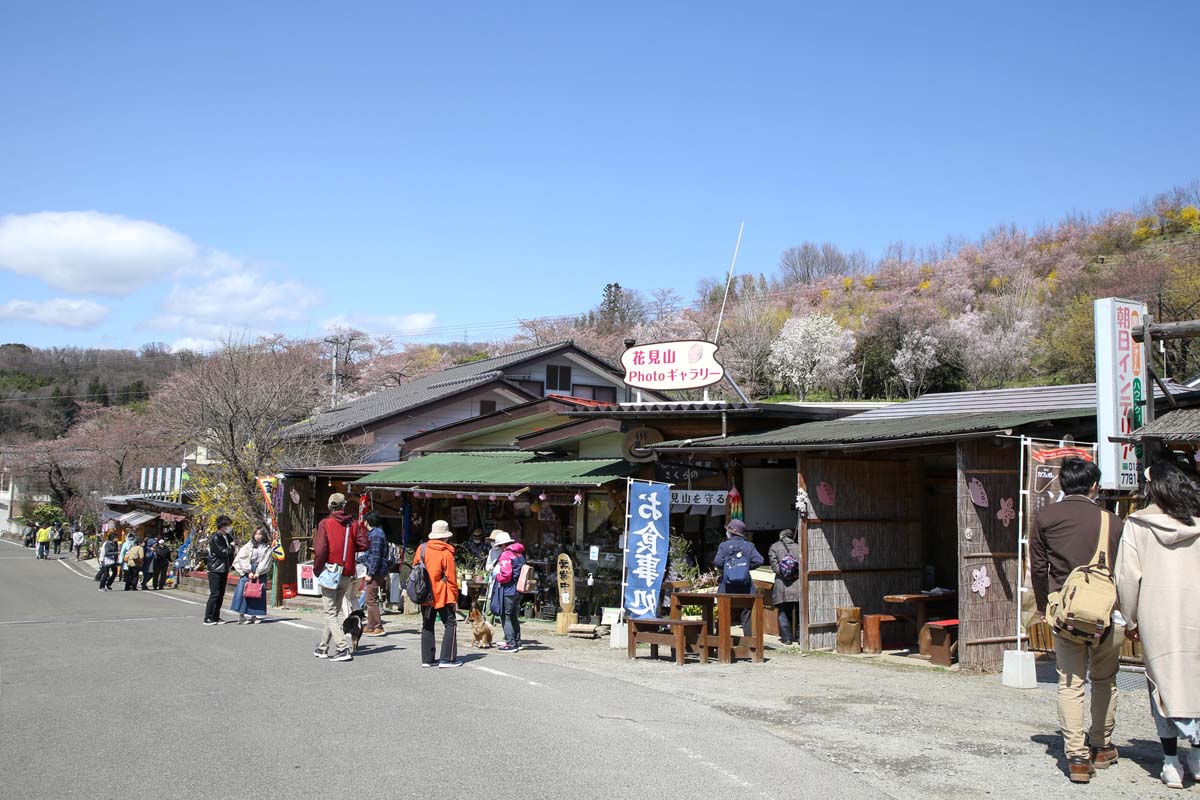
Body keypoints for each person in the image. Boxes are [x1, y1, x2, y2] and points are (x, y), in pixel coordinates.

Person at [1029, 457, 1124, 783]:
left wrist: (1045, 606)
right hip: (1106, 614)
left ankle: (1077, 758)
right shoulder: (1113, 521)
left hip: (1065, 612)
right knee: (1104, 680)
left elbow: (1038, 569)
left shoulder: (1044, 517)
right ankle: (1101, 744)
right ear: (1094, 486)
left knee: (1071, 683)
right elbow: (1122, 573)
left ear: (1061, 484)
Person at [1114, 462, 1200, 789]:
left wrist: (1130, 617)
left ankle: (1170, 762)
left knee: (1161, 683)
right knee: (1196, 680)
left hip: (1157, 615)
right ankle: (1197, 755)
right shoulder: (1198, 523)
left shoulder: (1138, 524)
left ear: (1153, 488)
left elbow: (1127, 577)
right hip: (1196, 614)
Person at [312, 493, 369, 661]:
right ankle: (323, 647)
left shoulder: (325, 523)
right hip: (347, 572)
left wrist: (317, 570)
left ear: (330, 506)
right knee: (334, 612)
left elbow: (321, 550)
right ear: (344, 505)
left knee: (330, 613)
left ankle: (342, 648)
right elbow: (364, 544)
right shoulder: (353, 524)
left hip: (330, 571)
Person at [414, 520, 461, 667]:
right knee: (450, 623)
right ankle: (447, 658)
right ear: (446, 536)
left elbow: (415, 569)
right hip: (442, 594)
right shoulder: (446, 552)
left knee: (427, 624)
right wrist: (454, 598)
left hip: (424, 592)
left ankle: (427, 659)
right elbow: (451, 578)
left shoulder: (421, 548)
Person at [714, 519, 765, 640]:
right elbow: (759, 560)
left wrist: (727, 570)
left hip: (726, 587)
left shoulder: (724, 546)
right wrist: (746, 567)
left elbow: (717, 562)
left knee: (724, 614)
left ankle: (723, 642)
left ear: (730, 532)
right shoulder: (749, 546)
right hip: (745, 587)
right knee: (747, 613)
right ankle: (749, 644)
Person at [768, 528, 802, 646]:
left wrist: (783, 573)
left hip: (782, 584)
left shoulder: (774, 547)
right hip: (797, 583)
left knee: (783, 612)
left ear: (781, 536)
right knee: (799, 611)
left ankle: (787, 638)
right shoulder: (799, 547)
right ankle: (800, 637)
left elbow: (775, 567)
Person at [231, 528, 272, 624]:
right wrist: (248, 570)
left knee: (257, 593)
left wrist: (258, 572)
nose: (258, 536)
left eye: (260, 534)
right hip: (248, 568)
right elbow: (242, 557)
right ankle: (241, 615)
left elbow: (267, 560)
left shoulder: (267, 547)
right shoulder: (248, 545)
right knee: (245, 592)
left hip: (260, 570)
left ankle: (254, 615)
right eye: (256, 534)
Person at [360, 511, 391, 637]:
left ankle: (378, 626)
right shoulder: (376, 533)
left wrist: (370, 573)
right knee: (369, 598)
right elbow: (370, 554)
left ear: (366, 521)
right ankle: (370, 625)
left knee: (370, 599)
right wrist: (358, 560)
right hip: (377, 569)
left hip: (377, 570)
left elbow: (376, 556)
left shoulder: (376, 535)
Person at [494, 533, 526, 653]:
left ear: (503, 544)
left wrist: (497, 577)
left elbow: (506, 575)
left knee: (506, 616)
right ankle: (518, 642)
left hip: (509, 589)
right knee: (513, 616)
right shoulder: (520, 554)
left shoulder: (506, 555)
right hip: (519, 589)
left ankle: (511, 643)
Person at [204, 516, 235, 625]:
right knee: (215, 593)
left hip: (224, 568)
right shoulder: (216, 537)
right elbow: (222, 552)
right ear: (222, 526)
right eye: (228, 525)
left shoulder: (227, 537)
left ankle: (216, 616)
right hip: (215, 568)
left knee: (221, 593)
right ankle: (208, 617)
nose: (229, 527)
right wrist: (231, 547)